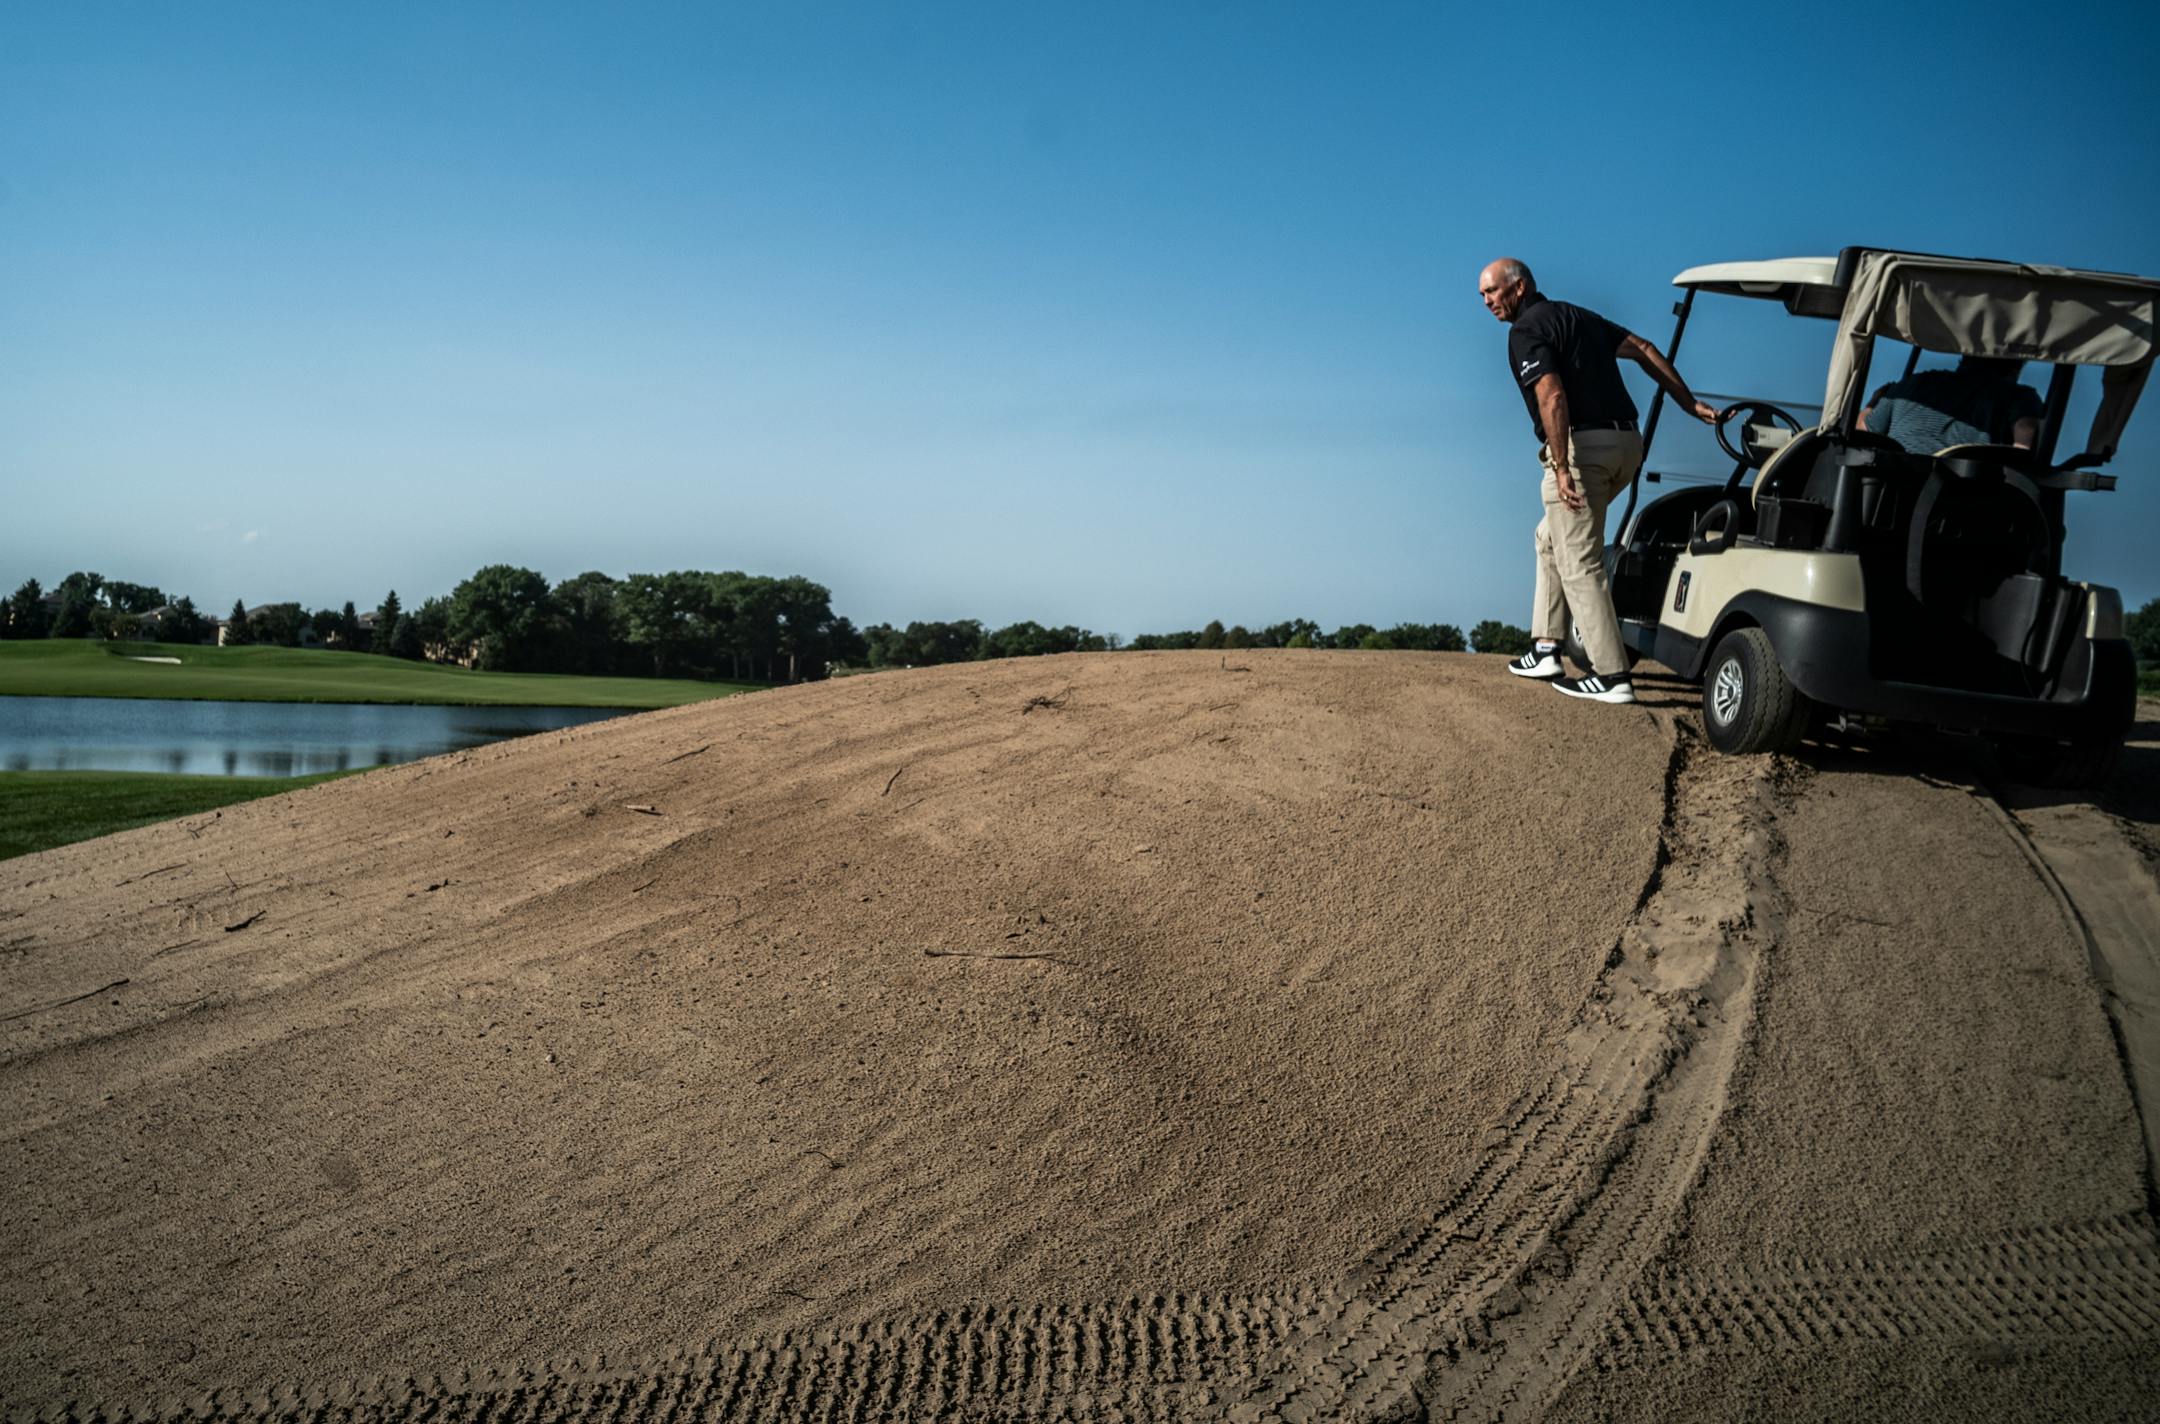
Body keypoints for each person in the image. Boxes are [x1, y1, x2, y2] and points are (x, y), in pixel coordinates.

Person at [1477, 258, 1720, 705]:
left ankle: (1612, 676)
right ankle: (1547, 648)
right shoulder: (1579, 316)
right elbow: (1644, 348)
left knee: (1579, 561)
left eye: (1492, 291)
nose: (1487, 301)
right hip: (1627, 446)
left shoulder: (1526, 330)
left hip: (1583, 450)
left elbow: (1551, 394)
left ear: (1519, 287)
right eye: (1483, 295)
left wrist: (1563, 465)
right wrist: (1688, 403)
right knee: (1550, 537)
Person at [1863, 355, 2042, 455]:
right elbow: (2024, 445)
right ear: (2015, 369)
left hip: (1887, 499)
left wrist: (1872, 402)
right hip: (1959, 509)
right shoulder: (2018, 396)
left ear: (1964, 357)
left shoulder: (1911, 384)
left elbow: (1863, 432)